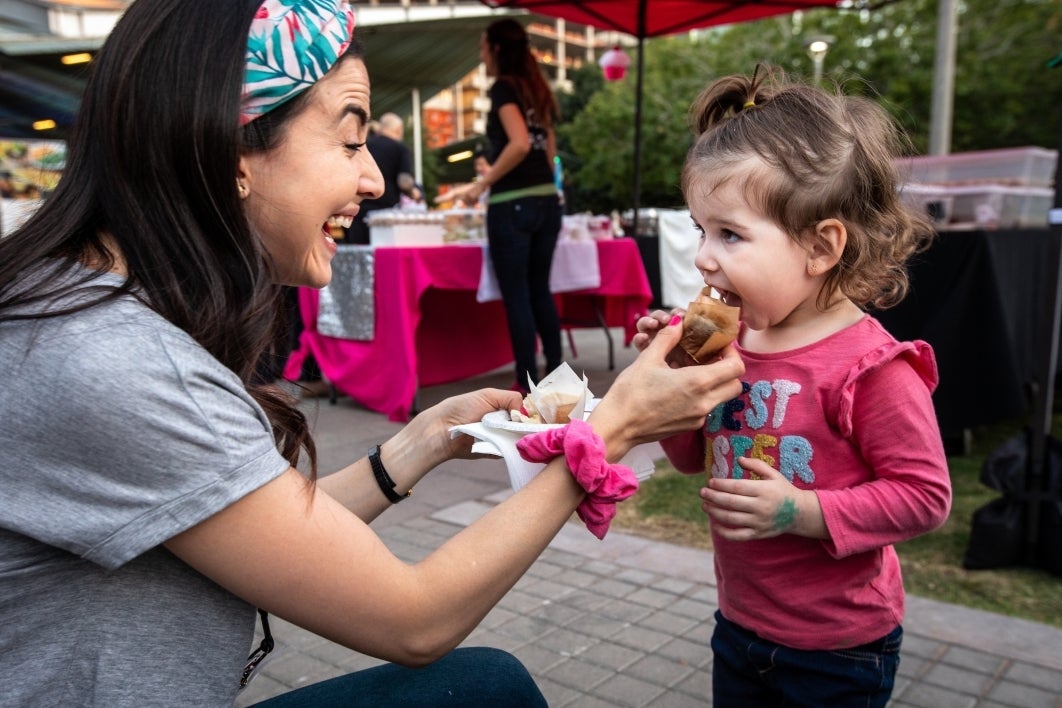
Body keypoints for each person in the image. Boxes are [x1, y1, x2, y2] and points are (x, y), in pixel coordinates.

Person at [0, 1, 746, 705]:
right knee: (487, 688)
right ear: (231, 149)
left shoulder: (83, 311)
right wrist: (608, 430)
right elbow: (412, 621)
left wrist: (421, 444)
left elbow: (255, 527)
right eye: (350, 138)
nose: (375, 178)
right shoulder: (113, 362)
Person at [633, 66, 953, 707]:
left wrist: (800, 513)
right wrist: (673, 391)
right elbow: (693, 456)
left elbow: (924, 497)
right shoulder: (730, 341)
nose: (702, 257)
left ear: (820, 246)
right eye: (700, 230)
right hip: (740, 625)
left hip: (839, 648)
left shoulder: (873, 367)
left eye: (730, 234)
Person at [449, 18, 564, 393]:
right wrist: (544, 186)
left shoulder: (503, 88)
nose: (481, 54)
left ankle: (528, 382)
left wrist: (481, 184)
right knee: (540, 290)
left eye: (483, 47)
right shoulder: (536, 88)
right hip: (546, 200)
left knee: (518, 296)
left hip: (512, 204)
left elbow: (518, 143)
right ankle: (557, 375)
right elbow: (547, 147)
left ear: (496, 48)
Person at [344, 112, 418, 244]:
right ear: (399, 130)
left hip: (356, 211)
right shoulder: (400, 149)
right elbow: (404, 182)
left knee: (358, 256)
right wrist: (413, 193)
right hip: (384, 216)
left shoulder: (363, 146)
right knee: (383, 257)